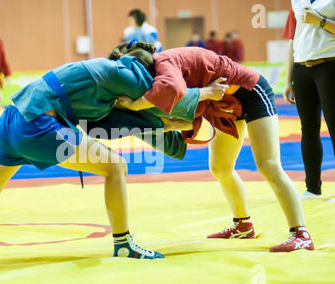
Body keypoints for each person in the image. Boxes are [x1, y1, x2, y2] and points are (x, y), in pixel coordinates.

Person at [0, 49, 166, 264]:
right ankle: (123, 244)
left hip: (11, 119)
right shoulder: (118, 74)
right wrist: (203, 95)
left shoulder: (91, 75)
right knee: (116, 166)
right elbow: (156, 96)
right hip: (38, 126)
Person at [109, 43, 315, 253]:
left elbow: (175, 90)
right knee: (220, 167)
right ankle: (243, 225)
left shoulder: (164, 63)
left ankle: (301, 233)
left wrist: (134, 105)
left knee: (268, 165)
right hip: (223, 104)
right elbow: (188, 115)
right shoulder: (157, 76)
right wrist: (165, 124)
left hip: (251, 92)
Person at [282, 0, 335, 201]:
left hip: (329, 65)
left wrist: (319, 21)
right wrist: (288, 79)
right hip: (301, 68)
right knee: (308, 129)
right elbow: (292, 39)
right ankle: (313, 188)